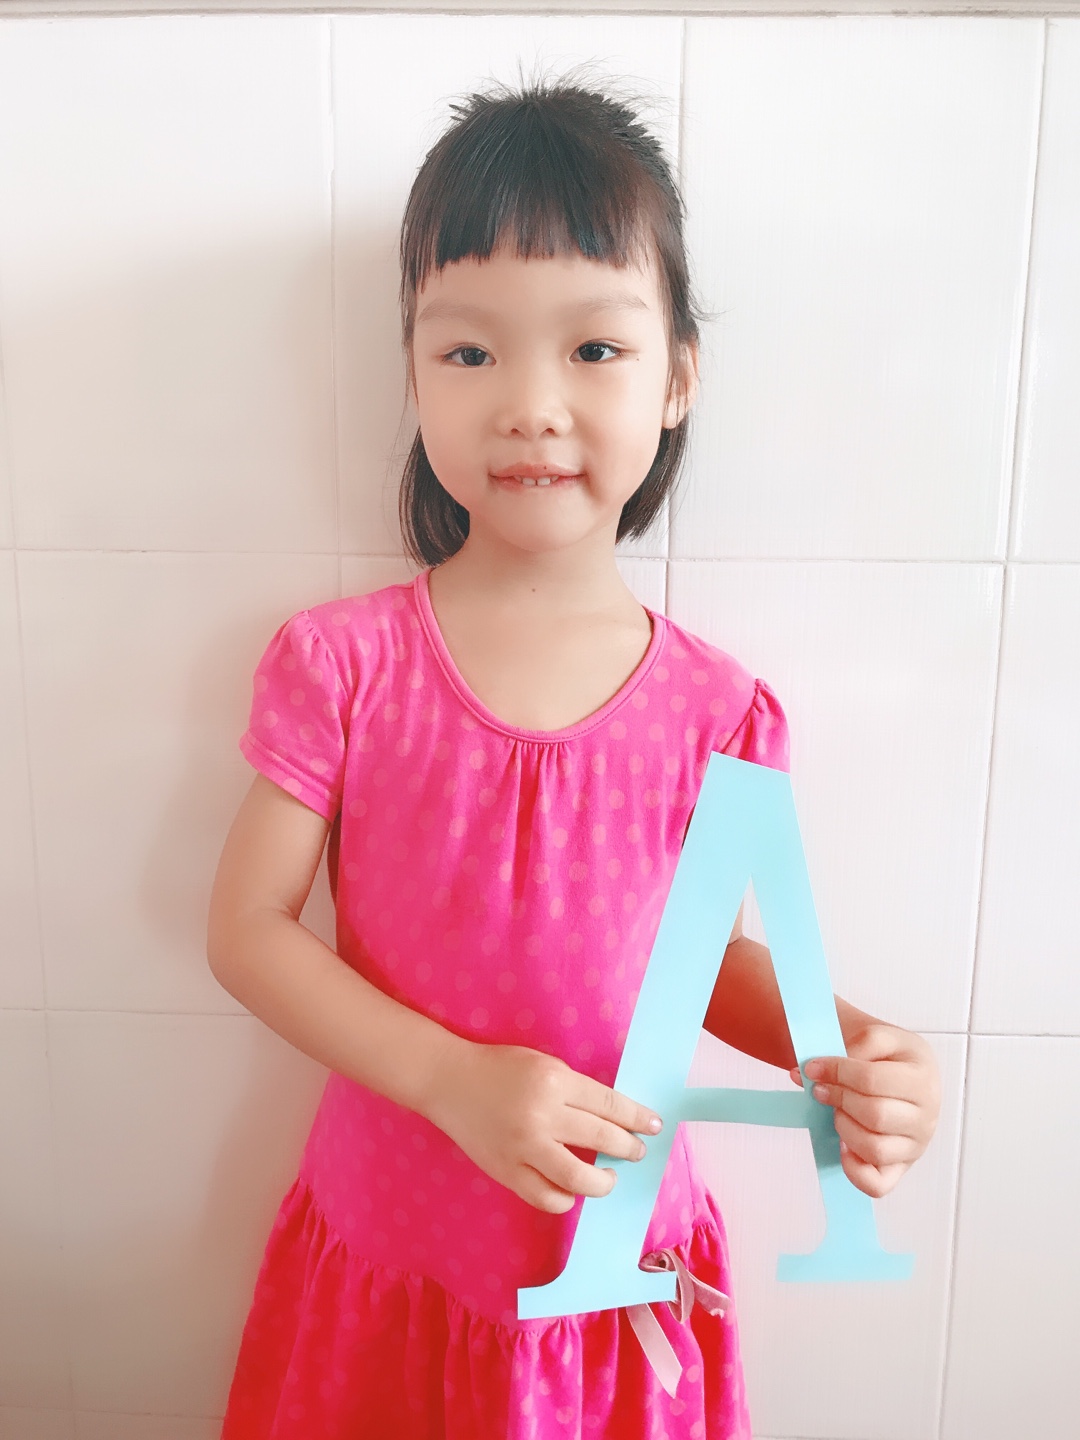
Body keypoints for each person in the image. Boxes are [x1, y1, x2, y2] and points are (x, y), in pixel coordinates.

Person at [208, 67, 941, 1440]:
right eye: (469, 353)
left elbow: (699, 965)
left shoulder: (720, 711)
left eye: (594, 350)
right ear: (413, 372)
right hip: (392, 1258)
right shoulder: (344, 667)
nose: (530, 404)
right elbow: (247, 930)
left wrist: (844, 1046)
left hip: (614, 1287)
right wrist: (450, 1080)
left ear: (679, 378)